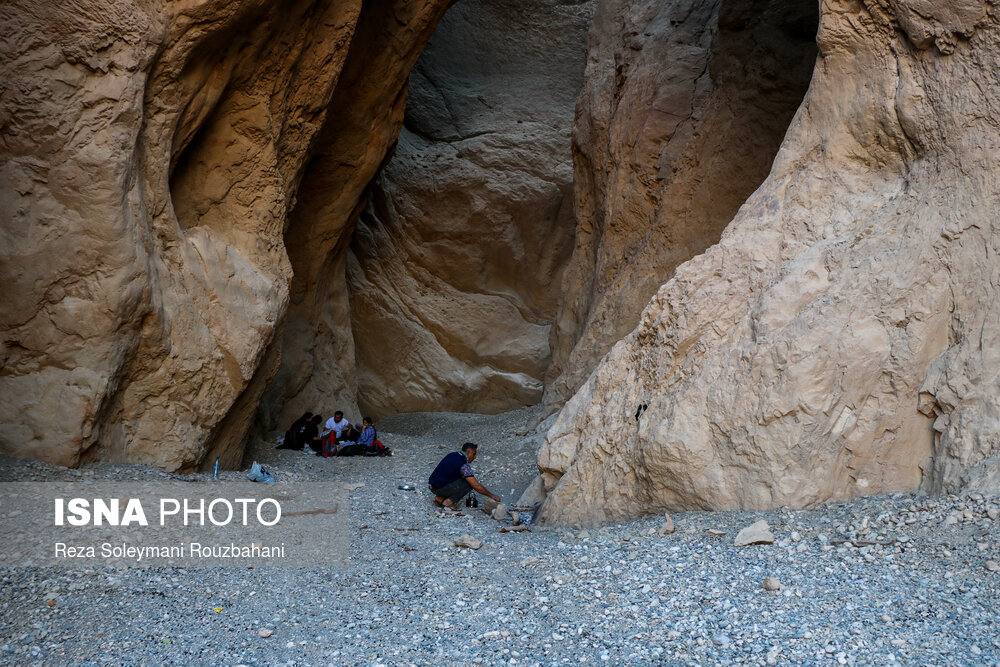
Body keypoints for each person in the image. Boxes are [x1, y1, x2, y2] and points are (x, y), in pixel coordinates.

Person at [428, 442, 500, 509]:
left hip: (433, 486)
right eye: (474, 454)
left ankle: (439, 498)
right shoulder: (463, 464)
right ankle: (448, 503)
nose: (475, 457)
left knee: (462, 479)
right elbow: (476, 486)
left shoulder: (453, 454)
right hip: (439, 488)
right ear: (468, 452)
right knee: (469, 484)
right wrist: (492, 495)